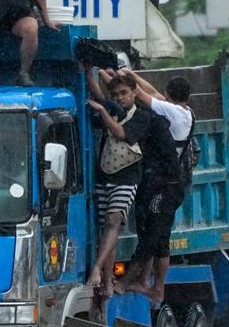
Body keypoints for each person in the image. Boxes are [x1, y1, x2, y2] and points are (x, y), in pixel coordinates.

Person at [111, 69, 193, 302]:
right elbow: (152, 93)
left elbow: (144, 96)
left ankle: (133, 282)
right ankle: (153, 286)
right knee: (160, 238)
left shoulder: (167, 113)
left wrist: (121, 76)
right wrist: (130, 76)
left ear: (168, 95)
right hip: (170, 181)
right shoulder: (185, 112)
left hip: (165, 183)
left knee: (151, 236)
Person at [85, 73, 151, 297]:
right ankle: (108, 281)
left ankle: (97, 268)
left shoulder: (142, 117)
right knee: (107, 229)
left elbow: (121, 133)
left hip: (128, 177)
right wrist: (87, 74)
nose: (120, 98)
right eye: (116, 94)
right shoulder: (113, 109)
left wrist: (103, 112)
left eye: (124, 93)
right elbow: (101, 97)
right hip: (105, 175)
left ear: (134, 93)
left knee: (114, 220)